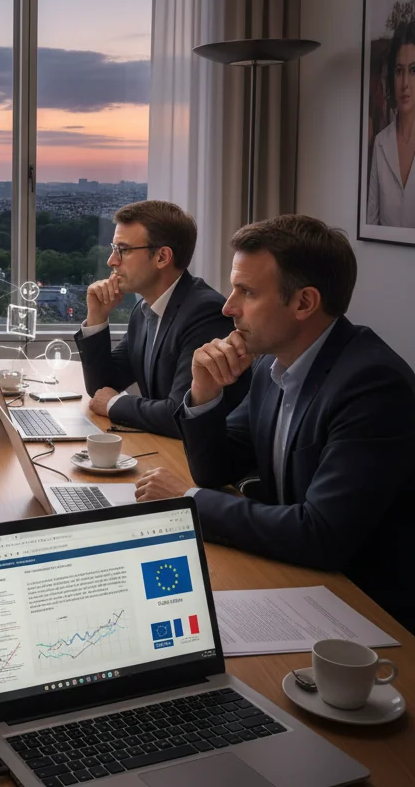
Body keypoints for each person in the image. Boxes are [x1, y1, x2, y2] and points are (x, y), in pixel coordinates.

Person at [135, 215, 415, 632]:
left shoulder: (372, 385)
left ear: (304, 303)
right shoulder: (271, 364)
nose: (228, 307)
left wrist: (188, 499)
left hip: (369, 614)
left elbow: (320, 533)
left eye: (246, 292)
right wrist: (203, 394)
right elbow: (217, 468)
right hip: (301, 583)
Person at [74, 200, 249, 438]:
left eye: (122, 250)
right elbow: (101, 388)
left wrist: (115, 404)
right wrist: (97, 316)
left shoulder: (204, 311)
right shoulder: (143, 309)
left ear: (162, 257)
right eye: (114, 249)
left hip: (199, 463)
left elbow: (180, 413)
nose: (112, 261)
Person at [367, 21, 415, 227]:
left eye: (413, 70)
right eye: (399, 70)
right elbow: (371, 220)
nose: (405, 83)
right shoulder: (380, 143)